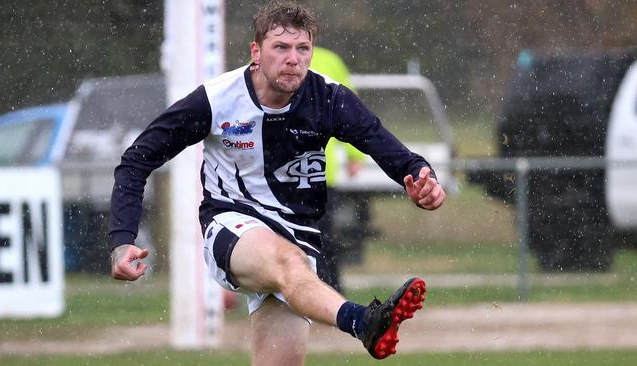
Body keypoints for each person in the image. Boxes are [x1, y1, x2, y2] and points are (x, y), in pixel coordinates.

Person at [109, 1, 446, 364]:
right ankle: (363, 321)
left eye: (303, 49)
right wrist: (121, 240)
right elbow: (136, 159)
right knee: (288, 262)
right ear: (256, 52)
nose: (293, 59)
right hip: (231, 223)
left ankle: (360, 320)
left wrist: (423, 178)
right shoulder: (217, 100)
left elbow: (388, 148)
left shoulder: (329, 99)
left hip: (299, 234)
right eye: (281, 48)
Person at [310, 46, 367, 294]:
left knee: (323, 237)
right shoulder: (265, 56)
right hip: (276, 174)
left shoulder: (329, 60)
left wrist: (355, 154)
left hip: (322, 172)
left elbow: (348, 108)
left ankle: (330, 292)